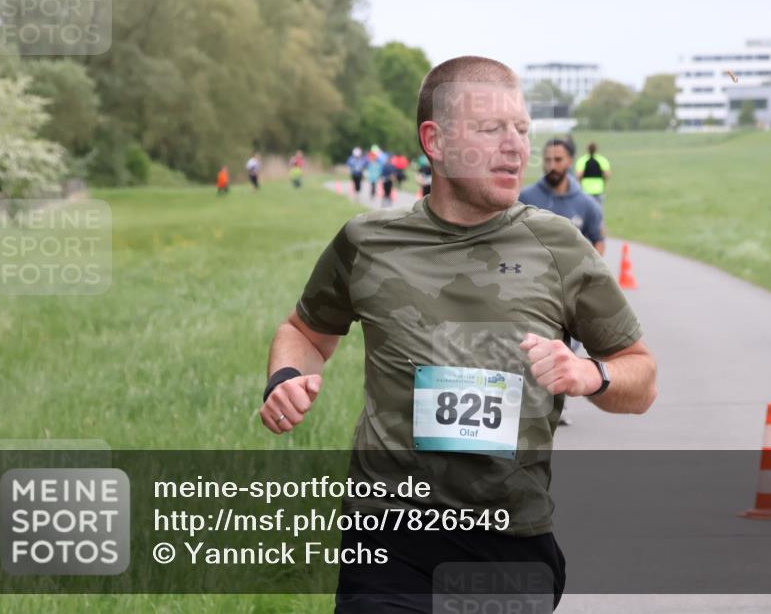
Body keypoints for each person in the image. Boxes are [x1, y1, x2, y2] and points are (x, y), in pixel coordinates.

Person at [260, 56, 657, 612]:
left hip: (509, 540)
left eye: (521, 129)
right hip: (388, 535)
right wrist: (286, 376)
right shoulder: (366, 243)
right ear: (436, 140)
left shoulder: (560, 247)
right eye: (491, 129)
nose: (516, 147)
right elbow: (304, 331)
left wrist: (593, 374)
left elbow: (641, 375)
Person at [520, 138, 608, 426]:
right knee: (530, 344)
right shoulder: (526, 198)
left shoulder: (587, 205)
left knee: (566, 347)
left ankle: (555, 399)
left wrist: (591, 280)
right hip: (532, 288)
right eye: (547, 160)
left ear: (570, 162)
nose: (551, 165)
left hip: (572, 292)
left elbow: (598, 242)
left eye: (558, 160)